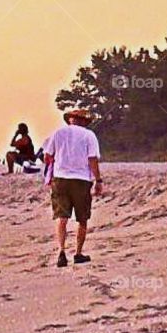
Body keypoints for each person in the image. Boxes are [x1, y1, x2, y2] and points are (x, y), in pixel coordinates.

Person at [44, 107, 103, 267]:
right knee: (82, 218)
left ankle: (61, 251)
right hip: (81, 179)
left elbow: (48, 156)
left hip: (60, 178)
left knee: (61, 216)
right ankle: (78, 253)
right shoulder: (89, 135)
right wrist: (98, 180)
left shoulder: (58, 133)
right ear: (84, 121)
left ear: (70, 119)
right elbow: (92, 159)